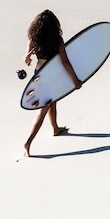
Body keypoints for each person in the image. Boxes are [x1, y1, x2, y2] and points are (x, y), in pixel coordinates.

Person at [23, 10, 82, 157]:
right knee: (42, 109)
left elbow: (26, 60)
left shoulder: (33, 38)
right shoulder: (57, 40)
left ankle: (55, 128)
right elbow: (65, 62)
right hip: (51, 76)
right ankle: (28, 142)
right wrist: (75, 79)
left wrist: (27, 57)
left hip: (38, 74)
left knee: (51, 101)